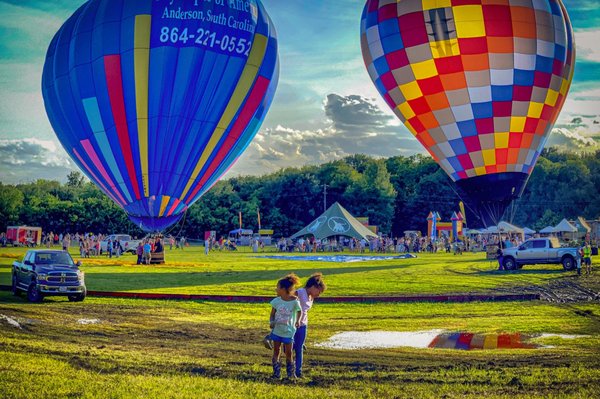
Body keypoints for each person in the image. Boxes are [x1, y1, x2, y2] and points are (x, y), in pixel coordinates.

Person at [293, 273, 326, 378]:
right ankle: (290, 369)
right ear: (313, 287)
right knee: (289, 347)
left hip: (303, 325)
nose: (319, 294)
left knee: (299, 349)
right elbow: (288, 301)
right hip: (293, 324)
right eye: (319, 291)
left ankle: (298, 371)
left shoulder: (311, 297)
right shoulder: (300, 292)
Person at [268, 273, 301, 380]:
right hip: (277, 330)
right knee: (276, 350)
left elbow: (299, 311)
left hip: (289, 331)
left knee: (289, 352)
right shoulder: (276, 301)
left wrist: (298, 321)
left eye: (277, 287)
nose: (276, 289)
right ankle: (276, 373)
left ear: (283, 289)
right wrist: (271, 322)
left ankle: (291, 374)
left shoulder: (295, 302)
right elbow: (272, 314)